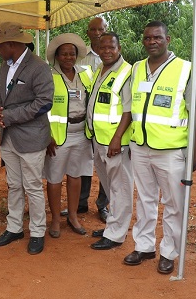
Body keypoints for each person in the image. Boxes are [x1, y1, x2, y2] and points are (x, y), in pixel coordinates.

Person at [124, 21, 196, 274]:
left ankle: (169, 251)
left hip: (171, 149)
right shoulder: (136, 68)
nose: (151, 42)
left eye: (157, 37)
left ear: (168, 39)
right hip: (140, 145)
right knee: (145, 198)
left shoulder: (185, 69)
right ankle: (144, 246)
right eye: (147, 38)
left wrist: (195, 149)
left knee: (174, 203)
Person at [0, 21, 54, 255]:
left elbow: (44, 102)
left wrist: (9, 116)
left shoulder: (39, 67)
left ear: (11, 44)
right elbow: (2, 96)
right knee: (14, 185)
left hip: (31, 138)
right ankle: (14, 227)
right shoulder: (4, 67)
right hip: (9, 137)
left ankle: (37, 232)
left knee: (33, 187)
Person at [86, 32, 133, 250]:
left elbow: (128, 110)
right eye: (102, 47)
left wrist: (116, 138)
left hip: (115, 143)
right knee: (110, 187)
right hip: (98, 140)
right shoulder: (100, 70)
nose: (106, 51)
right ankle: (112, 226)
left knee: (120, 188)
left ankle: (115, 234)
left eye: (111, 47)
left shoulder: (126, 72)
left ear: (119, 48)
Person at [44, 33, 92, 238]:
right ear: (57, 56)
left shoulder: (86, 74)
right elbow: (41, 107)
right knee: (54, 178)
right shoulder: (48, 76)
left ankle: (72, 215)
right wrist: (46, 135)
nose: (68, 57)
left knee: (76, 175)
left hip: (81, 133)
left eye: (72, 54)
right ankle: (55, 218)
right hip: (57, 136)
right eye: (63, 54)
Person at [75, 16, 110, 223]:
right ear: (88, 33)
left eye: (101, 29)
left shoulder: (114, 57)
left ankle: (103, 205)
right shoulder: (81, 59)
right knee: (84, 163)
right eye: (93, 30)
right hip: (84, 122)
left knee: (105, 167)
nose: (97, 33)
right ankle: (80, 202)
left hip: (106, 126)